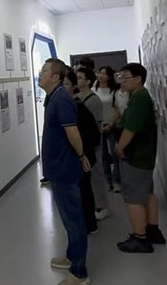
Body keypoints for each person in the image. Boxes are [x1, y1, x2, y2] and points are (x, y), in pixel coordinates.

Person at [39, 58, 92, 285]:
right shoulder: (53, 97)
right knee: (68, 219)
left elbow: (73, 133)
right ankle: (72, 257)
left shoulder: (61, 99)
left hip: (65, 169)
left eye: (44, 71)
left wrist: (81, 155)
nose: (39, 73)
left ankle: (80, 273)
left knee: (74, 220)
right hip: (57, 168)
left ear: (55, 77)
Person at [115, 63, 166, 253]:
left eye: (125, 77)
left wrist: (119, 148)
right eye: (120, 77)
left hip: (136, 156)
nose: (122, 81)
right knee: (147, 193)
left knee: (133, 198)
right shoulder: (139, 96)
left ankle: (140, 238)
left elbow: (131, 128)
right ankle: (152, 230)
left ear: (138, 79)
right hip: (144, 156)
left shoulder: (139, 99)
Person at [64, 70, 98, 235]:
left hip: (80, 156)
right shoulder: (68, 105)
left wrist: (81, 154)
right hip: (78, 156)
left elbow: (86, 134)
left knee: (82, 191)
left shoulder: (77, 107)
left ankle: (87, 225)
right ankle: (87, 224)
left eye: (66, 84)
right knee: (81, 191)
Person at [76, 67, 110, 223]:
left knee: (96, 173)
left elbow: (95, 127)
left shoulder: (93, 100)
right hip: (81, 143)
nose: (77, 80)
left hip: (92, 143)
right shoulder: (77, 97)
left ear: (88, 81)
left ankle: (102, 206)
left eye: (80, 77)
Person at [94, 66, 122, 194]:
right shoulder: (94, 89)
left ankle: (117, 181)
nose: (101, 76)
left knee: (115, 154)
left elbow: (117, 109)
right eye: (100, 73)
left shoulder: (114, 90)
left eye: (104, 74)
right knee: (103, 155)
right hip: (98, 126)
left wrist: (110, 124)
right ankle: (107, 181)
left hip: (112, 125)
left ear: (109, 76)